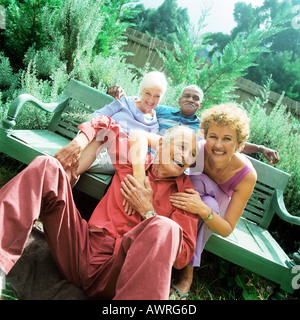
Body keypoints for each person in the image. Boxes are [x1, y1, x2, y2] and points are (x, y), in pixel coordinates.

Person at [0, 115, 199, 300]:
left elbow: (182, 256)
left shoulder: (185, 195)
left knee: (166, 226)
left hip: (120, 272)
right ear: (162, 143)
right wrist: (78, 144)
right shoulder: (133, 160)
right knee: (47, 166)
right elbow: (107, 127)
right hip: (82, 247)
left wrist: (148, 212)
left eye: (192, 154)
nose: (187, 157)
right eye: (182, 146)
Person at [128, 103, 257, 299]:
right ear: (205, 135)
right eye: (213, 136)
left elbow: (226, 229)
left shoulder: (247, 175)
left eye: (227, 139)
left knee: (211, 204)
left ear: (239, 143)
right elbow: (140, 136)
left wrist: (202, 209)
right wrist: (139, 179)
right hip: (189, 197)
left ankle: (186, 273)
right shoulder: (196, 149)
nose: (218, 145)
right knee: (194, 183)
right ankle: (162, 247)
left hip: (212, 209)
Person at [109, 84, 280, 165]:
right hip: (144, 159)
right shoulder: (161, 111)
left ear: (200, 105)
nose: (190, 99)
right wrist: (121, 93)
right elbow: (138, 105)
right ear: (180, 100)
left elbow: (228, 142)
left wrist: (259, 148)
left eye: (196, 98)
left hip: (174, 167)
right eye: (187, 96)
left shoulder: (204, 127)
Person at [88, 71, 167, 174]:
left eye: (157, 96)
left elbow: (149, 155)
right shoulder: (124, 102)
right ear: (141, 91)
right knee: (74, 163)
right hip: (98, 141)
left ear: (161, 98)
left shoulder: (153, 125)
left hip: (116, 158)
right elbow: (95, 116)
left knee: (75, 163)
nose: (151, 99)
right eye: (148, 93)